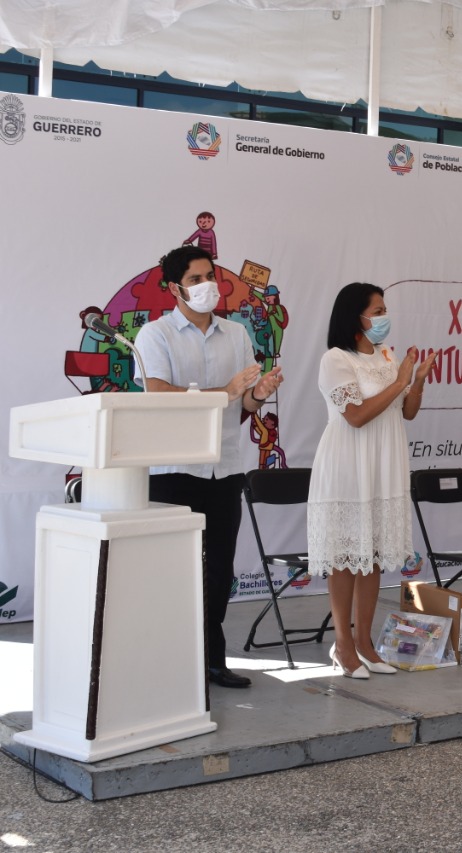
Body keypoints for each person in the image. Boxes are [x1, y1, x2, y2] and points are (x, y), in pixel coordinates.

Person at [134, 245, 283, 689]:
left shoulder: (236, 333)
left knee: (219, 570)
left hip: (224, 466)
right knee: (172, 569)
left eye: (209, 277)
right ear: (174, 288)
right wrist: (227, 390)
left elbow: (244, 403)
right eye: (195, 280)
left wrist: (258, 393)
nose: (206, 286)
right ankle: (166, 663)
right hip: (173, 469)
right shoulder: (155, 334)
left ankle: (212, 660)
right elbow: (158, 393)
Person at [308, 282, 434, 679]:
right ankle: (343, 644)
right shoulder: (335, 359)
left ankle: (365, 642)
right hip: (349, 464)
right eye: (377, 311)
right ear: (356, 316)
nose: (384, 317)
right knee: (346, 557)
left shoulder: (387, 356)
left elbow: (406, 412)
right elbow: (357, 415)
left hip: (383, 462)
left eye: (384, 310)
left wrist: (417, 380)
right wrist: (399, 382)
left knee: (373, 554)